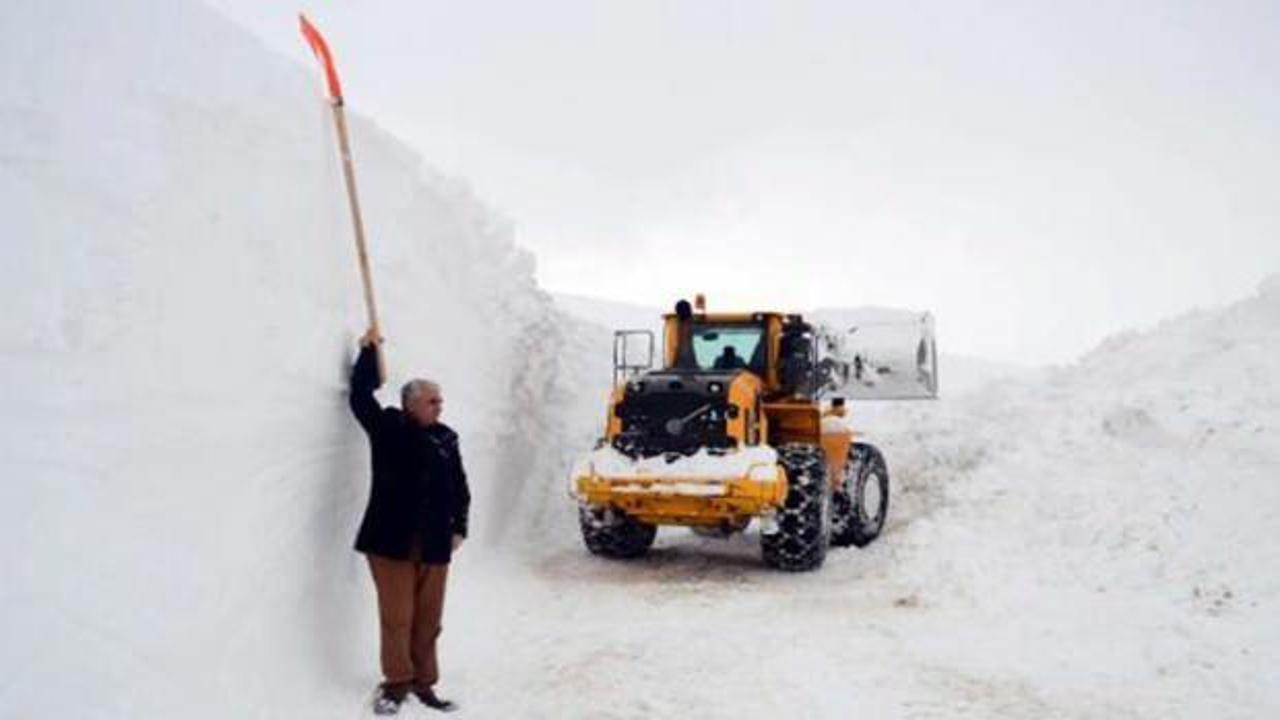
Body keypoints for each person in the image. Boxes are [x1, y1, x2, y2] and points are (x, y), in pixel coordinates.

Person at [348, 329, 470, 715]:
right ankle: (397, 683)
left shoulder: (446, 438)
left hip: (435, 543)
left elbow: (460, 486)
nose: (440, 407)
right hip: (390, 542)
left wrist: (459, 527)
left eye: (441, 401)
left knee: (429, 620)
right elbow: (360, 397)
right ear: (411, 403)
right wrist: (368, 353)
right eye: (433, 401)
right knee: (398, 618)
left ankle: (424, 682)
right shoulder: (388, 427)